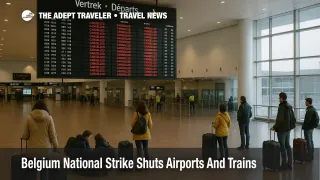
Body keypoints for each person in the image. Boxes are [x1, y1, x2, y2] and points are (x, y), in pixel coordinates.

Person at [272, 92, 296, 170]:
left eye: (279, 98)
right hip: (288, 129)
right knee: (287, 145)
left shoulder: (282, 107)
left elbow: (280, 119)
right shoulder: (289, 106)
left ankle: (284, 164)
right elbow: (293, 118)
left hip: (282, 130)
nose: (279, 99)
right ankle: (289, 163)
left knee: (282, 147)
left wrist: (275, 127)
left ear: (282, 98)